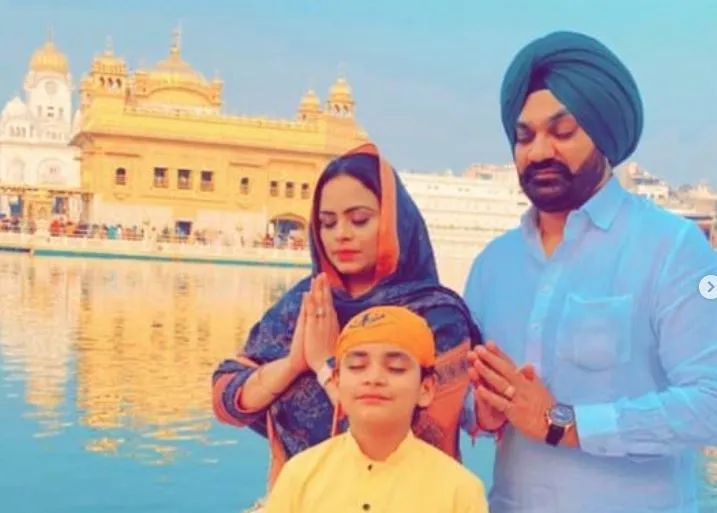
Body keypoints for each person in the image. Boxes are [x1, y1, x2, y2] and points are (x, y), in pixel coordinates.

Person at [462, 30, 717, 513]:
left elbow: (711, 403)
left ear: (604, 135)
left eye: (563, 132)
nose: (539, 152)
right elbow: (466, 400)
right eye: (524, 136)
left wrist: (564, 422)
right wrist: (485, 412)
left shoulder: (675, 248)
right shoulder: (492, 266)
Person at [213, 143, 480, 494]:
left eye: (359, 220)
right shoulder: (306, 303)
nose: (341, 234)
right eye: (327, 222)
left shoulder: (436, 317)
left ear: (393, 222)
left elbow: (419, 439)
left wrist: (325, 366)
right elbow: (225, 400)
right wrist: (293, 365)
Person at [264, 305, 488, 513]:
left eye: (395, 368)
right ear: (338, 382)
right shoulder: (300, 474)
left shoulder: (459, 491)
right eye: (357, 367)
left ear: (426, 388)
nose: (374, 378)